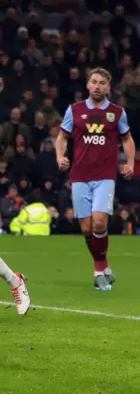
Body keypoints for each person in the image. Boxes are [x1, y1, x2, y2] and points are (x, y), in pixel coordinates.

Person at [56, 67, 136, 291]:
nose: (98, 85)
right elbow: (62, 137)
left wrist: (128, 162)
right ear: (88, 85)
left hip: (105, 175)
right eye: (94, 81)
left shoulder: (117, 113)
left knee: (100, 222)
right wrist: (60, 156)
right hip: (80, 176)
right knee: (87, 228)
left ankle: (98, 269)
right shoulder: (74, 110)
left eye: (102, 82)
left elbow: (127, 139)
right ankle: (104, 265)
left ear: (108, 87)